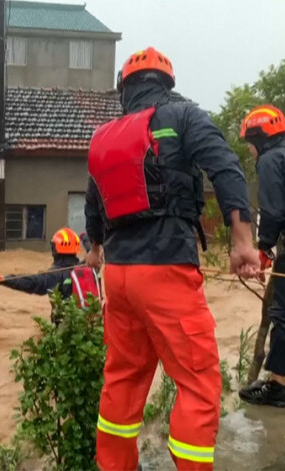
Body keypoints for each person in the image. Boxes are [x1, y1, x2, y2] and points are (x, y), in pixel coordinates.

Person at [85, 47, 260, 471]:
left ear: (124, 88)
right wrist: (242, 242)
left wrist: (94, 249)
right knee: (199, 383)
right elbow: (227, 171)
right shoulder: (183, 117)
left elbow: (94, 203)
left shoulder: (102, 136)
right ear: (166, 85)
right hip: (166, 269)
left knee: (123, 380)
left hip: (119, 276)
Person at [238, 104, 285, 407]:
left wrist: (264, 249)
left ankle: (278, 385)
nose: (252, 152)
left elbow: (273, 211)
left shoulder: (271, 160)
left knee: (283, 314)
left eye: (250, 146)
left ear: (259, 139)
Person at [0, 227, 100, 312]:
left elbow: (29, 282)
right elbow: (92, 250)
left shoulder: (54, 275)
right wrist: (85, 237)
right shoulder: (90, 266)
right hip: (92, 325)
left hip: (66, 330)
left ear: (55, 250)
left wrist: (3, 279)